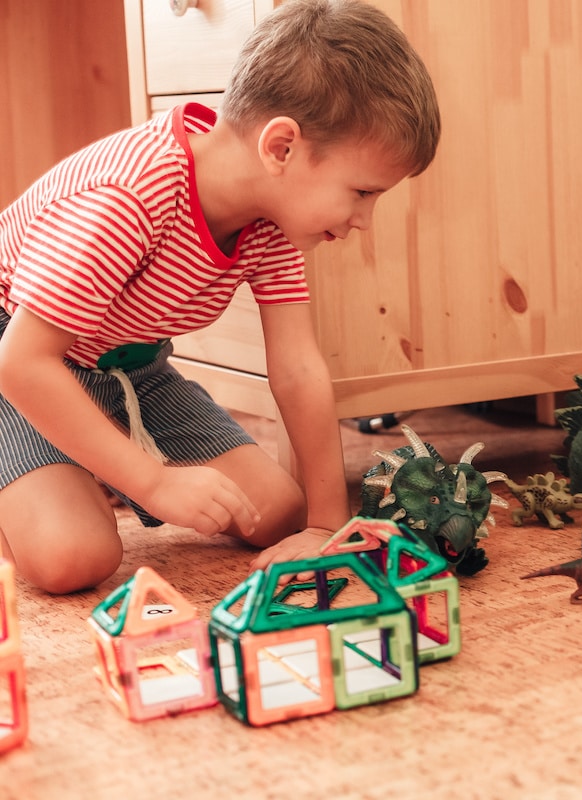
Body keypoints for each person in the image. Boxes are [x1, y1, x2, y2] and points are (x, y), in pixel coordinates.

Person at [0, 0, 439, 594]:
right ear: (281, 147)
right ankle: (59, 477)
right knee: (71, 559)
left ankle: (89, 464)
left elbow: (298, 366)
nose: (364, 219)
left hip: (132, 367)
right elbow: (21, 362)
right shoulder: (127, 195)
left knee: (275, 513)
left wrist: (325, 526)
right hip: (22, 364)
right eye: (361, 191)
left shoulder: (272, 218)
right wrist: (153, 482)